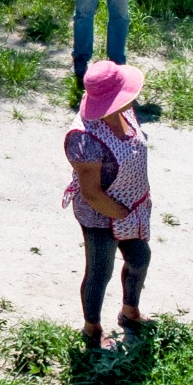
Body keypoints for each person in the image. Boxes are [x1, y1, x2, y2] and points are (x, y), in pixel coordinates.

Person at [65, 61, 153, 349]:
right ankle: (92, 328)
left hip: (131, 205)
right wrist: (122, 214)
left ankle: (130, 311)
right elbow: (92, 194)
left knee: (139, 258)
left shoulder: (124, 110)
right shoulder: (83, 138)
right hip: (101, 215)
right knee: (100, 271)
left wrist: (133, 209)